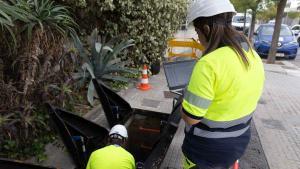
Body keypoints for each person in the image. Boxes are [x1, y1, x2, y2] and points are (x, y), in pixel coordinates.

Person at [181, 0, 265, 169]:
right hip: (238, 143)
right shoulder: (251, 55)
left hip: (206, 150)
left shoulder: (209, 64)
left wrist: (187, 95)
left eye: (197, 33)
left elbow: (191, 118)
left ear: (205, 29)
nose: (198, 38)